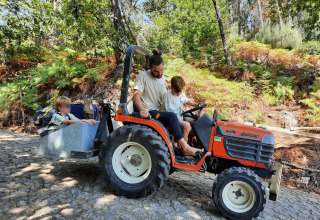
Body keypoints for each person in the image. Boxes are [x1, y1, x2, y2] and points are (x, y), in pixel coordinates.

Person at [132, 49, 201, 156]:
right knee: (172, 116)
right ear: (150, 68)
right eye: (156, 71)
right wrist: (142, 110)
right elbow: (136, 97)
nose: (159, 73)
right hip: (151, 111)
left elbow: (163, 94)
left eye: (161, 70)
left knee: (190, 117)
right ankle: (184, 147)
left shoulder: (162, 77)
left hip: (161, 109)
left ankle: (195, 145)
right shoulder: (142, 77)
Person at [162, 76, 199, 141]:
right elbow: (172, 115)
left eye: (180, 91)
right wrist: (182, 122)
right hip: (171, 120)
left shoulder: (179, 93)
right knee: (187, 126)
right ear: (172, 88)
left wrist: (197, 105)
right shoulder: (169, 97)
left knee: (195, 121)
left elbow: (187, 101)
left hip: (179, 117)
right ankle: (184, 148)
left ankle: (193, 142)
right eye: (177, 91)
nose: (179, 93)